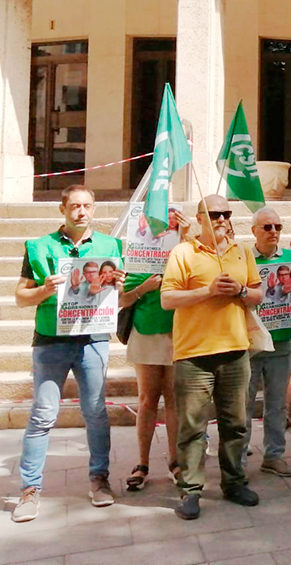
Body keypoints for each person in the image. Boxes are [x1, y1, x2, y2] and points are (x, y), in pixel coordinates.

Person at [12, 185, 125, 523]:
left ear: (94, 209)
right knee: (42, 415)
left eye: (87, 206)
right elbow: (20, 297)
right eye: (75, 206)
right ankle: (30, 490)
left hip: (93, 338)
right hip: (52, 339)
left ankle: (99, 478)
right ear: (63, 209)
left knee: (96, 412)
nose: (81, 212)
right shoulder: (39, 246)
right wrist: (43, 289)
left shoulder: (110, 246)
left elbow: (120, 291)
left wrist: (120, 285)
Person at [160, 195, 263, 520]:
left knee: (236, 425)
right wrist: (208, 291)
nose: (221, 219)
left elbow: (257, 294)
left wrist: (241, 292)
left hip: (235, 351)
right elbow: (167, 298)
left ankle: (234, 482)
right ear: (200, 218)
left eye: (226, 214)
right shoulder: (183, 252)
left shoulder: (242, 251)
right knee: (192, 427)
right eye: (214, 214)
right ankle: (190, 490)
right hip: (194, 354)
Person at [122, 208, 192, 493]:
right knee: (147, 398)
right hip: (145, 334)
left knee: (174, 399)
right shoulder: (137, 259)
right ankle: (141, 463)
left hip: (179, 335)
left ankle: (176, 461)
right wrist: (144, 288)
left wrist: (188, 238)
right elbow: (122, 299)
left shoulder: (183, 257)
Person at [241, 207, 291, 478]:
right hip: (249, 341)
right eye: (267, 227)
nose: (273, 232)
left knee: (278, 404)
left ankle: (274, 455)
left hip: (281, 342)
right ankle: (238, 461)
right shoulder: (242, 258)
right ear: (254, 230)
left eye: (278, 227)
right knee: (242, 404)